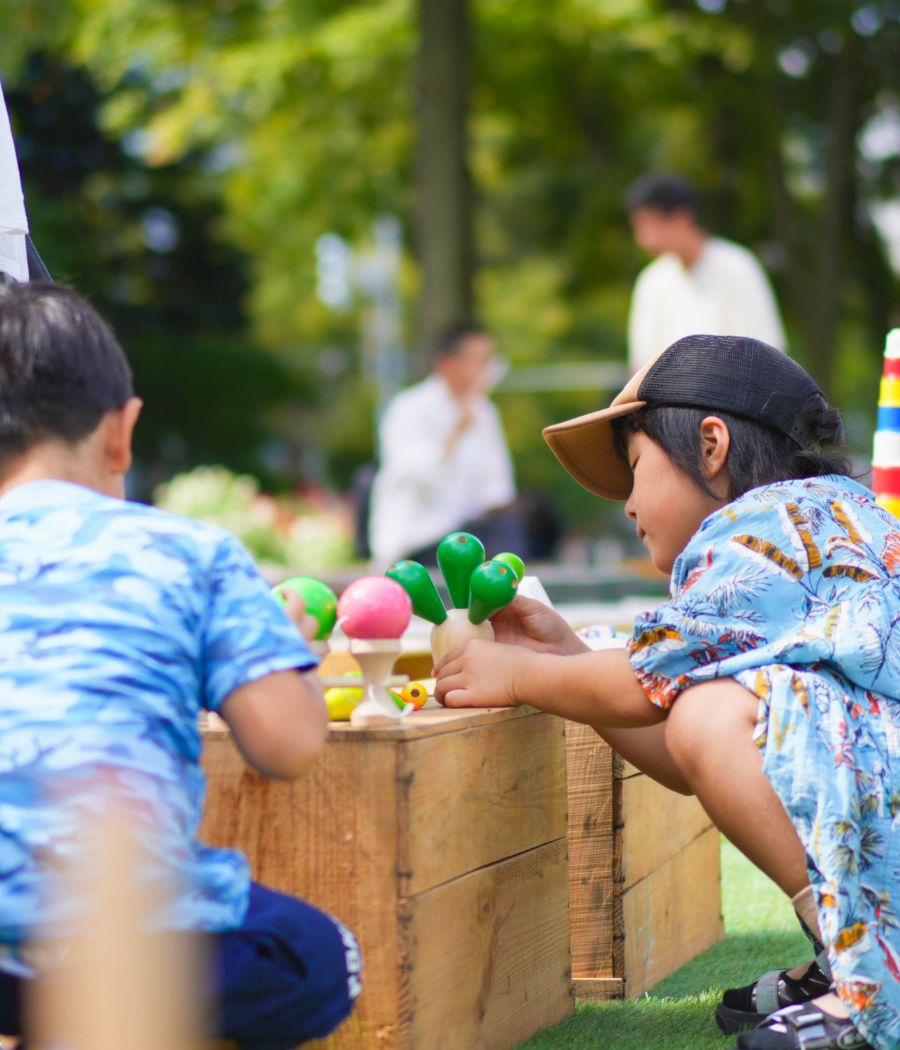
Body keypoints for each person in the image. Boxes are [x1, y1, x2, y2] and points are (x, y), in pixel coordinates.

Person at [435, 332, 900, 1050]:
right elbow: (689, 753)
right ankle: (856, 955)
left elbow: (653, 690)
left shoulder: (766, 530)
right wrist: (563, 654)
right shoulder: (833, 515)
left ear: (710, 445)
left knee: (711, 712)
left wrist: (523, 674)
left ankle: (872, 978)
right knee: (708, 715)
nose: (627, 504)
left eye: (636, 466)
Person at [0, 282, 361, 1048]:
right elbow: (288, 744)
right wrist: (284, 650)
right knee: (321, 958)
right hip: (120, 934)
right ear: (122, 434)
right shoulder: (186, 553)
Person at [368, 320, 521, 566]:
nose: (486, 369)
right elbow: (410, 473)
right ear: (446, 363)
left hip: (472, 530)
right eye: (477, 360)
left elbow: (498, 487)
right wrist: (454, 435)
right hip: (420, 537)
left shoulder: (485, 413)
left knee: (508, 532)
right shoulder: (408, 407)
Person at [626, 173, 786, 373]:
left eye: (651, 225)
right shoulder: (651, 281)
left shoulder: (737, 267)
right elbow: (640, 366)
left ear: (682, 219)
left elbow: (765, 353)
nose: (644, 239)